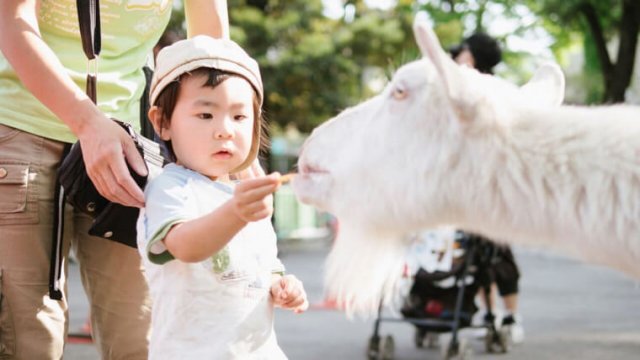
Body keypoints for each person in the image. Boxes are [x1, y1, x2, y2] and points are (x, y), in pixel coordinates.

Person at [0, 1, 229, 358]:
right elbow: (12, 21)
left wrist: (225, 148)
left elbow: (211, 49)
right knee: (28, 341)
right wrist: (88, 123)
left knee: (140, 338)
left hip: (127, 143)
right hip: (21, 129)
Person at [138, 35, 308, 359]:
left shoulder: (241, 193)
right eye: (206, 115)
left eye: (239, 117)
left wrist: (282, 285)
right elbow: (184, 246)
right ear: (162, 122)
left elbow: (261, 264)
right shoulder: (170, 188)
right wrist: (237, 212)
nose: (225, 130)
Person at [450, 32, 525, 344]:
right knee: (475, 258)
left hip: (494, 190)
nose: (457, 55)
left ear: (473, 56)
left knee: (499, 256)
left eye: (464, 51)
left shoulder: (493, 92)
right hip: (467, 190)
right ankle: (489, 314)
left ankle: (510, 316)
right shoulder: (458, 91)